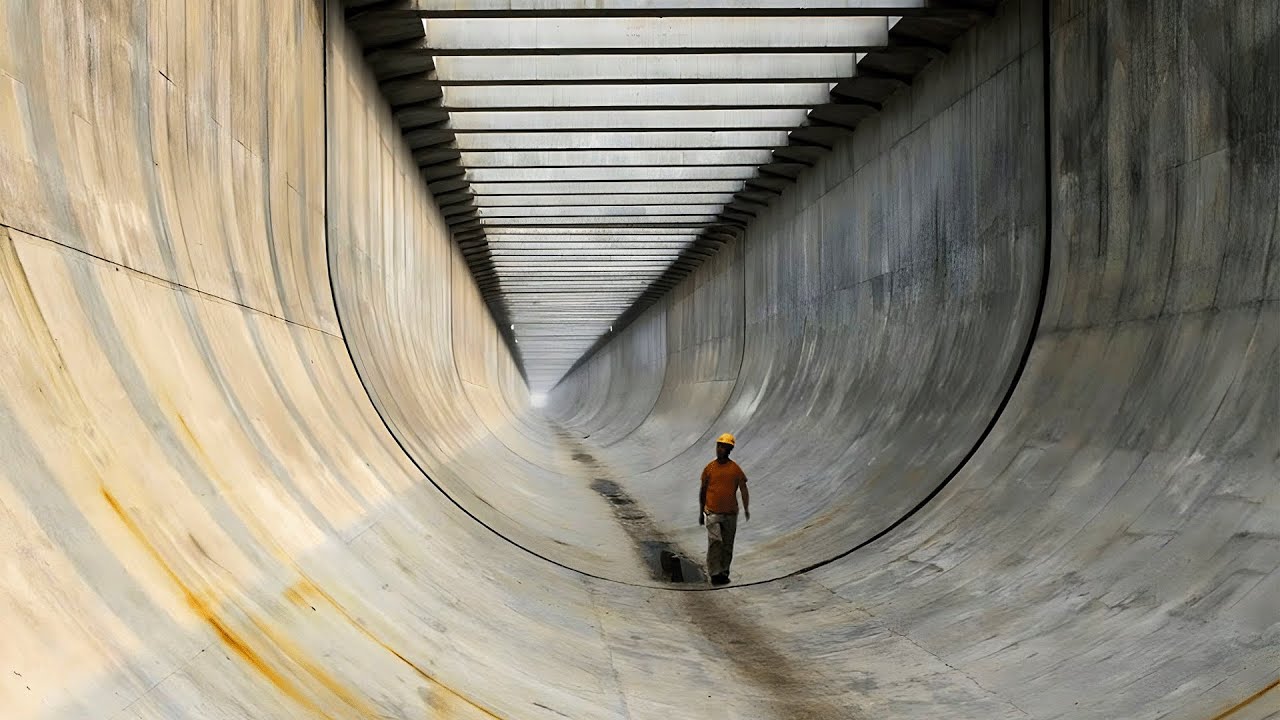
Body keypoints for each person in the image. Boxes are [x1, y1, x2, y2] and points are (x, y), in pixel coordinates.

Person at [698, 433, 749, 586]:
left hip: (730, 513)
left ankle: (724, 572)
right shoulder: (709, 468)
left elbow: (743, 488)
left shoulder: (735, 469)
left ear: (729, 450)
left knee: (727, 545)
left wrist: (746, 508)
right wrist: (701, 511)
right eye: (718, 446)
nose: (719, 449)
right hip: (712, 512)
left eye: (723, 447)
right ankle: (714, 573)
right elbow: (703, 490)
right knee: (715, 541)